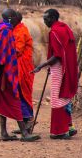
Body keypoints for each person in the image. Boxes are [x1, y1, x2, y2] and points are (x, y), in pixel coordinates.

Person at [0, 9, 39, 142]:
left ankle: (4, 132)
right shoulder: (6, 31)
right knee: (14, 99)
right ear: (10, 18)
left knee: (2, 100)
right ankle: (25, 133)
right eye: (14, 16)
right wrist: (2, 66)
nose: (17, 19)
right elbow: (8, 52)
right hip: (6, 71)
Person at [33, 9, 79, 139]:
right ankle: (69, 126)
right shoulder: (64, 28)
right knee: (64, 97)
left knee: (58, 98)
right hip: (67, 67)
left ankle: (61, 131)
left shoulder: (54, 32)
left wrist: (41, 66)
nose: (45, 21)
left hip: (60, 68)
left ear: (53, 18)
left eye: (46, 19)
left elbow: (57, 55)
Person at [11, 11, 35, 133]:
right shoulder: (16, 29)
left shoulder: (20, 31)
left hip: (23, 67)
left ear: (16, 19)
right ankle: (25, 124)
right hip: (20, 66)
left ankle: (28, 120)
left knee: (22, 93)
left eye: (11, 18)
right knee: (20, 93)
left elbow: (17, 50)